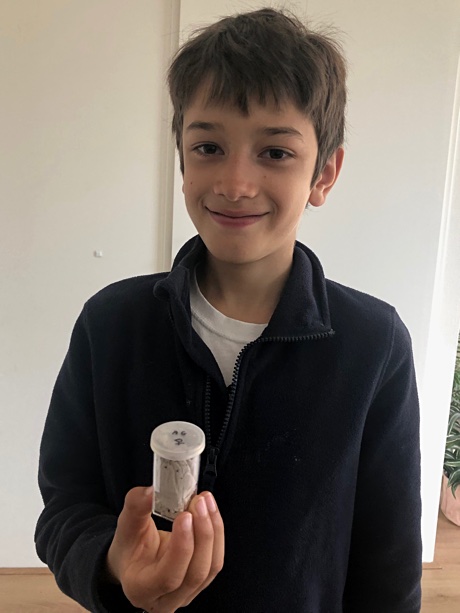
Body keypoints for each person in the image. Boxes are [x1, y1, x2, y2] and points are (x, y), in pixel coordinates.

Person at [35, 7, 422, 613]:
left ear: (325, 173)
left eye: (274, 153)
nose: (235, 182)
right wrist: (115, 562)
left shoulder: (374, 345)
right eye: (209, 146)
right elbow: (63, 507)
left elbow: (389, 563)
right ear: (182, 158)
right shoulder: (110, 325)